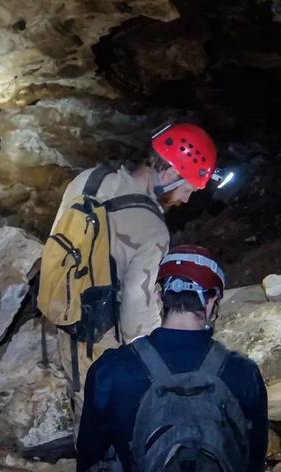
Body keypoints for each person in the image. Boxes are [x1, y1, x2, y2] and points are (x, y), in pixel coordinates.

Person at [65, 245, 267, 472]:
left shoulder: (113, 369)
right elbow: (251, 464)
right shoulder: (243, 374)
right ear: (212, 301)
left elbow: (89, 456)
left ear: (159, 295)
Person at [43, 123, 231, 406]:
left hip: (62, 308)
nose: (186, 199)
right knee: (112, 413)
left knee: (82, 398)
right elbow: (136, 314)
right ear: (169, 173)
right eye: (187, 189)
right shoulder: (152, 228)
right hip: (100, 335)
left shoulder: (88, 179)